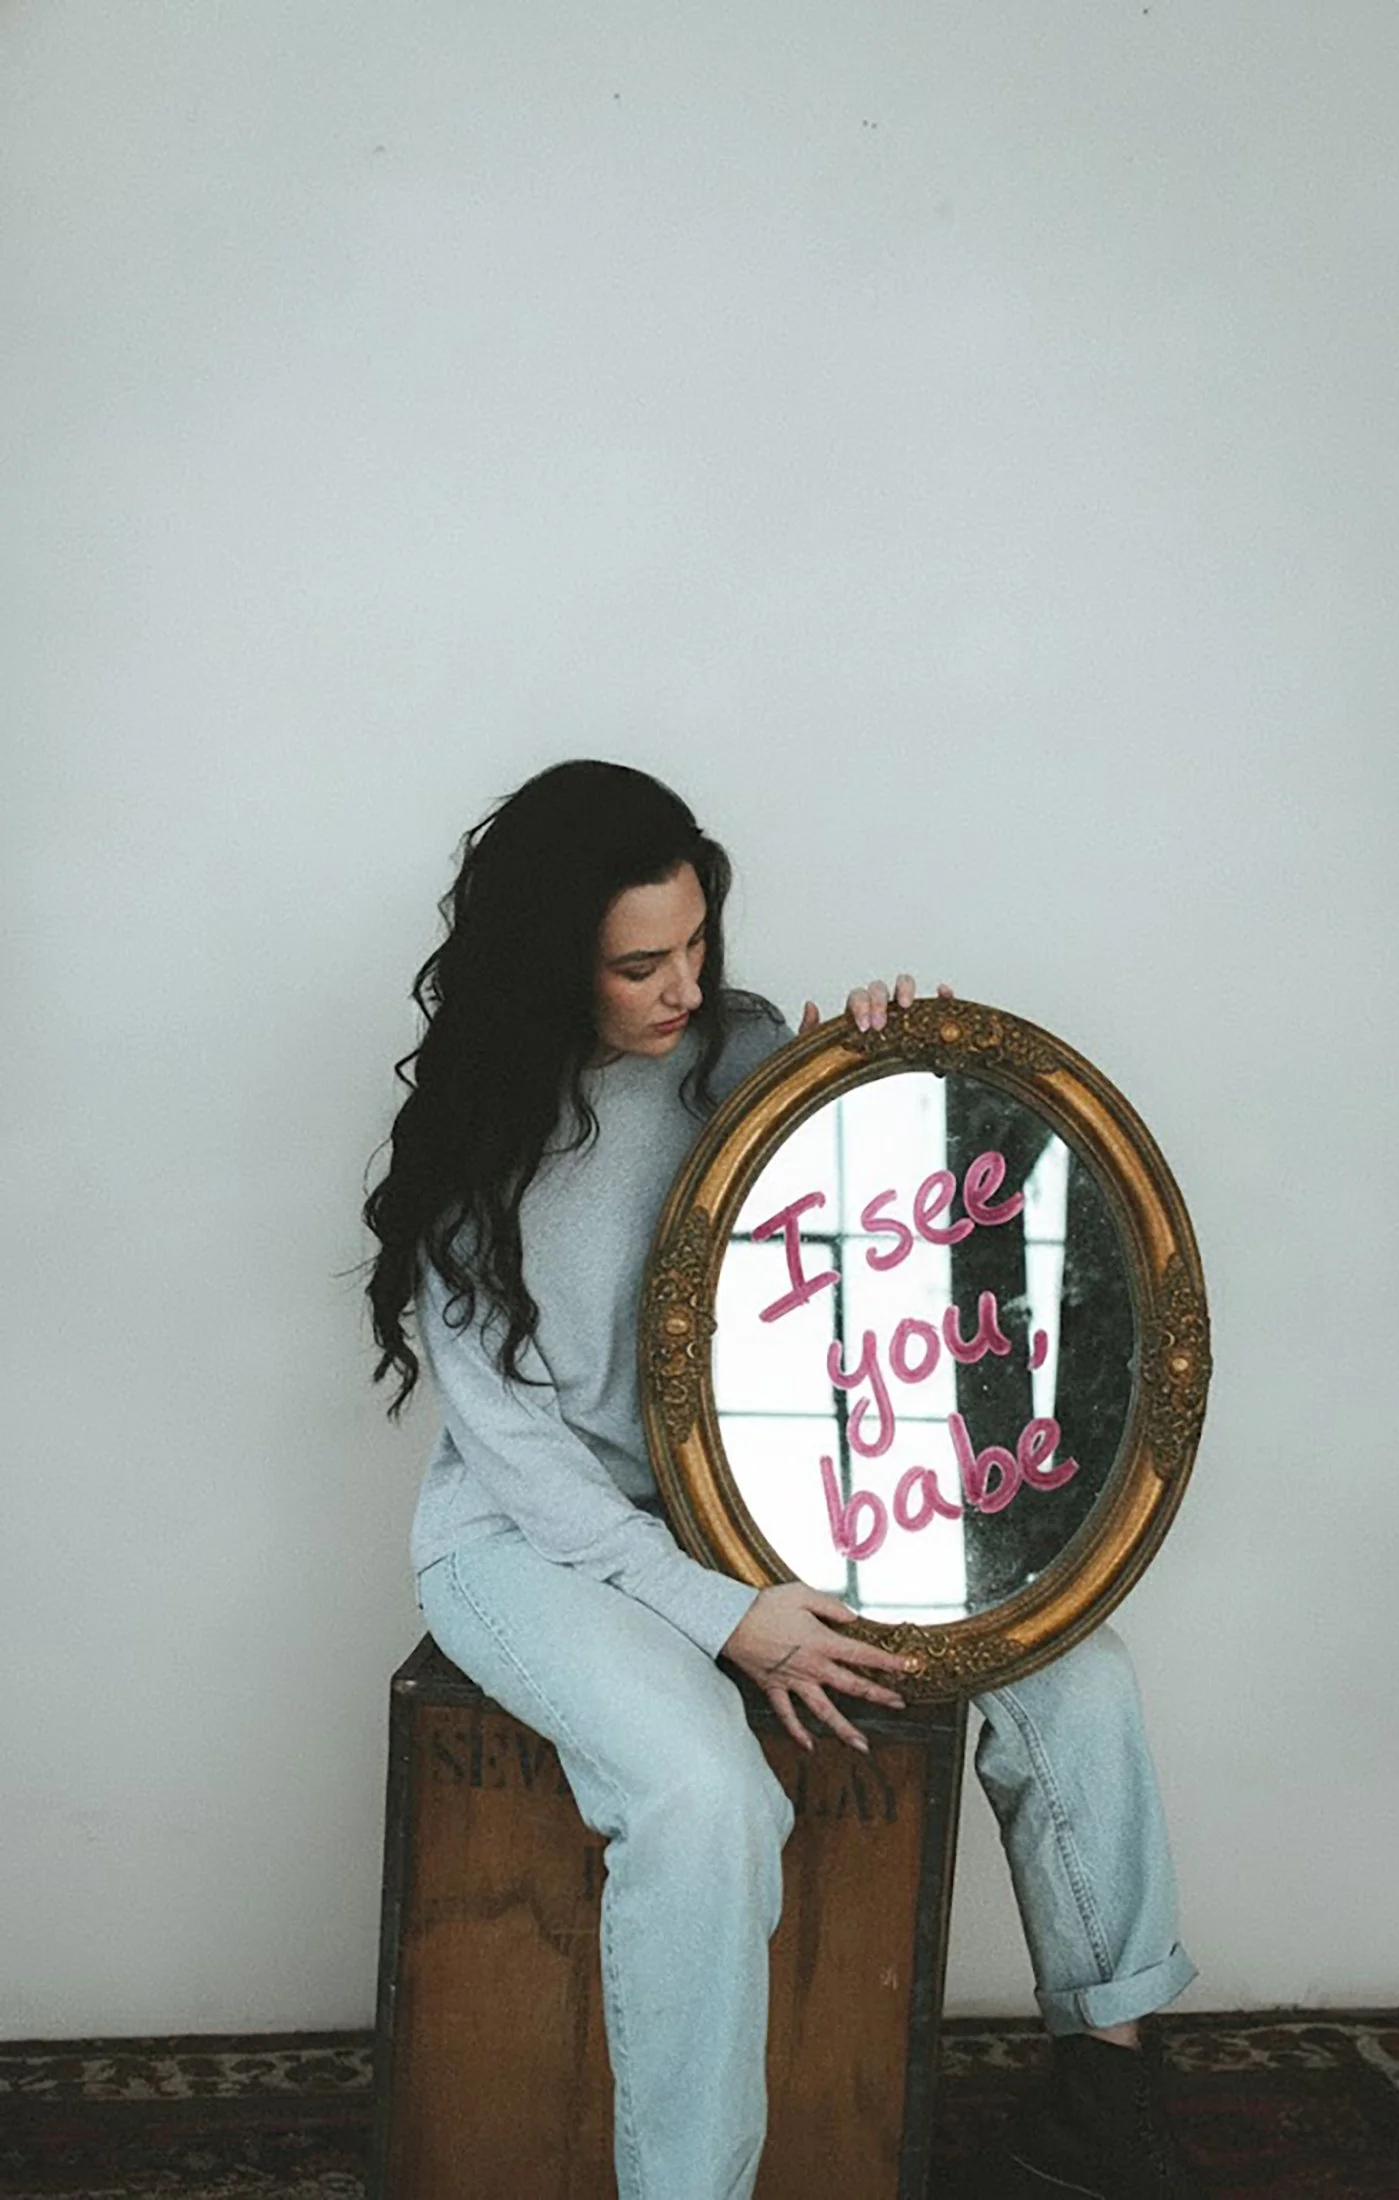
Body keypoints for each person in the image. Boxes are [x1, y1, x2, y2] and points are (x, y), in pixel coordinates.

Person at [364, 759, 1204, 2200]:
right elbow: (522, 1462)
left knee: (1076, 1671)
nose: (681, 986)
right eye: (639, 964)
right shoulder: (467, 1148)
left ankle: (1105, 2089)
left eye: (698, 944)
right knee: (703, 1796)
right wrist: (722, 1615)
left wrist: (889, 1065)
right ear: (544, 961)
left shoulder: (740, 1054)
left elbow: (888, 1234)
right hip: (539, 1544)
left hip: (766, 1514)